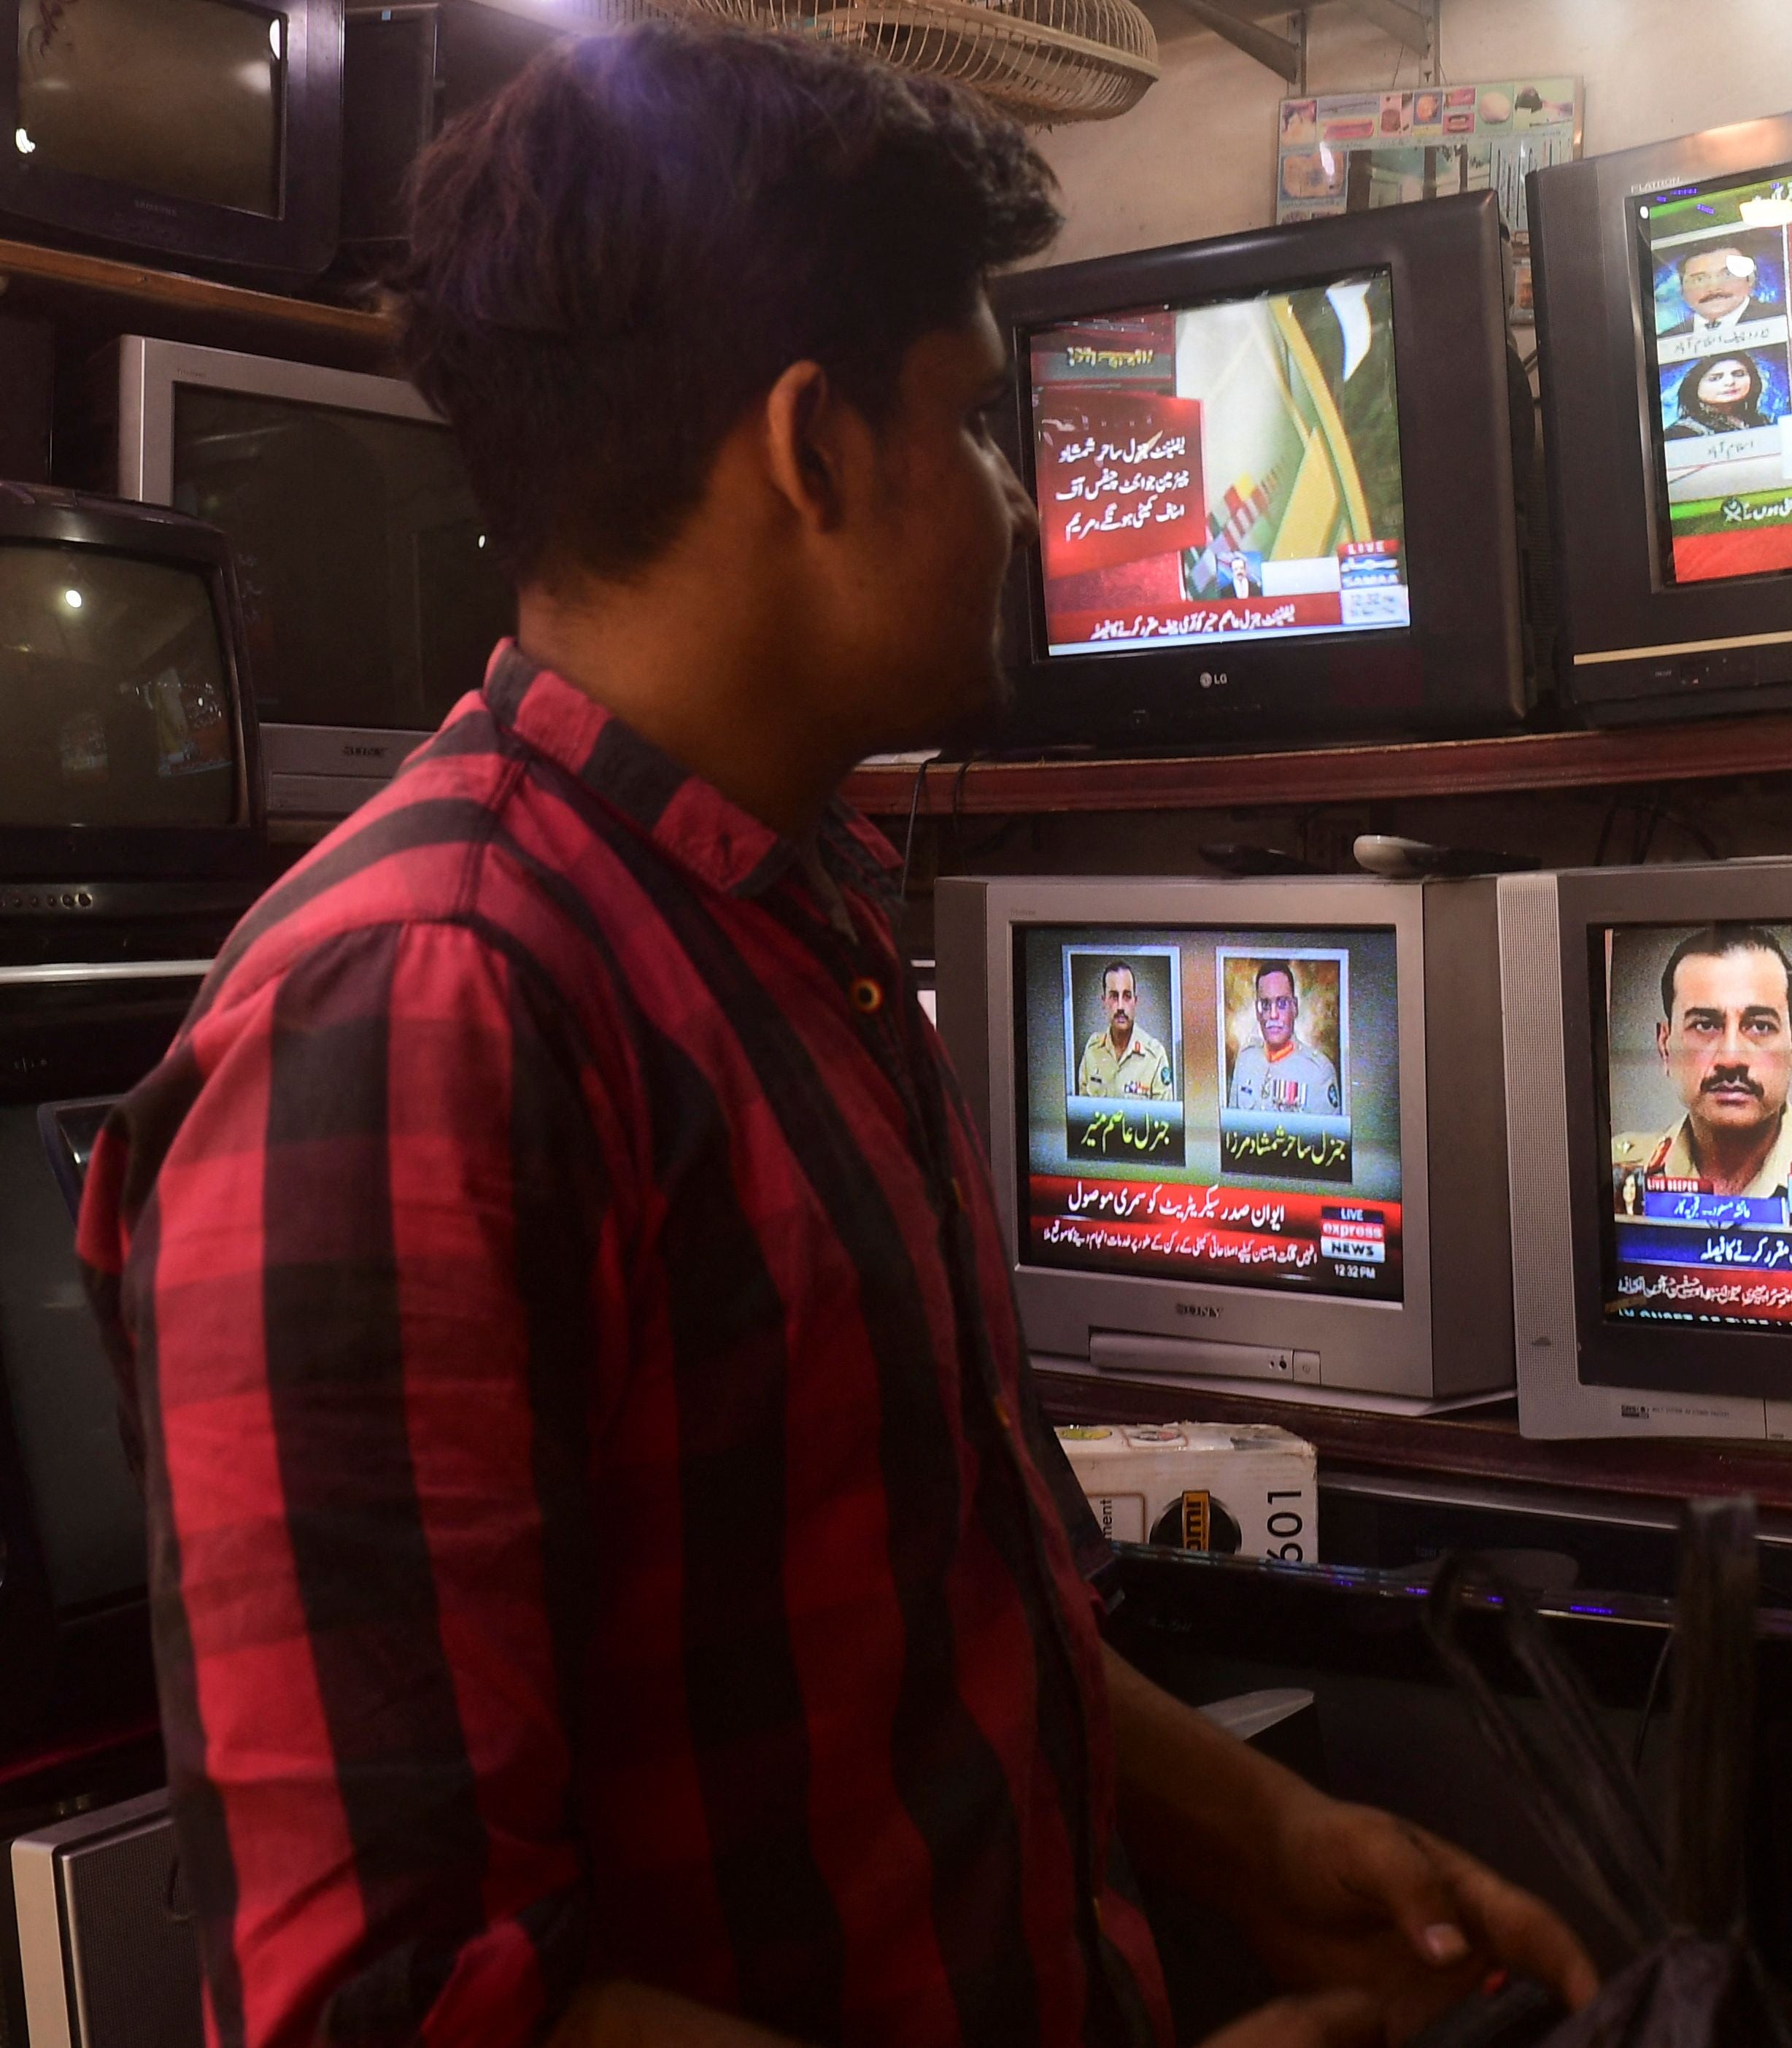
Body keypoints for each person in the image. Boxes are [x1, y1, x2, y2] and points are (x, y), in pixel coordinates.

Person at [74, 28, 1593, 2048]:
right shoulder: (419, 1002)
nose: (1031, 507)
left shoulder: (789, 913)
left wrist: (1261, 1830)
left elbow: (919, 1605)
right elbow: (399, 2001)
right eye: (975, 426)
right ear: (811, 449)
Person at [1611, 924, 1792, 1199]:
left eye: (1760, 1027)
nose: (1731, 1058)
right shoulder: (1616, 1171)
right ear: (1665, 1046)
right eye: (1705, 1025)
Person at [1227, 964, 1341, 1115]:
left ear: (1294, 1007)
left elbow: (1327, 1136)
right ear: (1257, 1011)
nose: (1273, 1015)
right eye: (1266, 1004)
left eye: (1282, 1004)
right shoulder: (1246, 1060)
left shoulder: (1318, 1072)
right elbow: (1231, 1132)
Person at [1076, 958, 1174, 1099]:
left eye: (1127, 996)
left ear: (1135, 1002)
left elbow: (1165, 1117)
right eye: (1114, 996)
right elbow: (1081, 1114)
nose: (1121, 1006)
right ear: (1104, 1001)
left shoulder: (1155, 1056)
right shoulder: (1093, 1050)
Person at [1659, 241, 1784, 338]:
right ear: (1682, 290)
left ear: (1750, 279)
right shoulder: (1666, 340)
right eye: (1700, 280)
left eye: (1727, 275)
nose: (1714, 288)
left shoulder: (1781, 320)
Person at [1662, 352, 1774, 440]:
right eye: (1715, 378)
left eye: (1739, 375)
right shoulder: (1681, 433)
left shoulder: (1762, 421)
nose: (1730, 382)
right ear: (1694, 386)